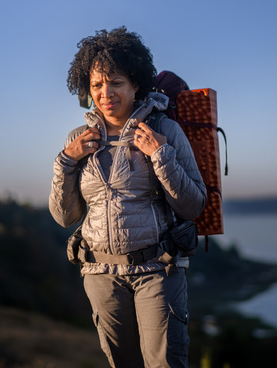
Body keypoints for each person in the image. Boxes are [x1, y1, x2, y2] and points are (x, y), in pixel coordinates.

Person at [49, 27, 207, 368]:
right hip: (99, 274)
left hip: (157, 270)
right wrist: (66, 161)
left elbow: (194, 205)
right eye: (96, 85)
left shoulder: (164, 130)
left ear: (136, 83)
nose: (106, 93)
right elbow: (65, 217)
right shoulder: (80, 138)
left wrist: (161, 156)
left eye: (116, 82)